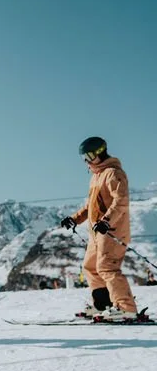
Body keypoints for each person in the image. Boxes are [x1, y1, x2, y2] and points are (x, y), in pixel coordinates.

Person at [60, 136, 141, 322]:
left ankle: (126, 309)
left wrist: (106, 221)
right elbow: (91, 206)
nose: (86, 161)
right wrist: (75, 219)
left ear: (100, 152)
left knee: (107, 267)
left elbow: (121, 201)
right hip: (97, 233)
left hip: (112, 231)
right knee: (90, 267)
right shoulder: (96, 176)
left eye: (88, 156)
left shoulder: (113, 173)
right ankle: (103, 305)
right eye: (83, 158)